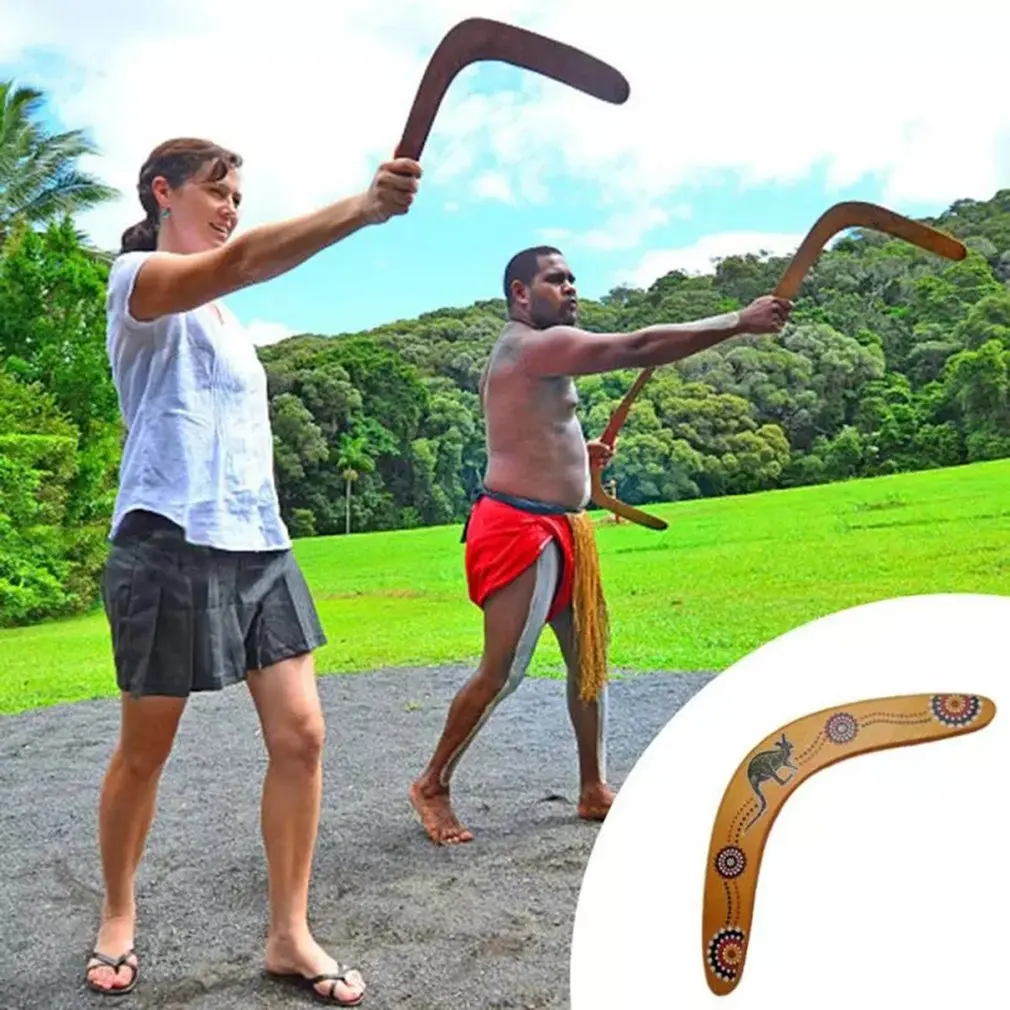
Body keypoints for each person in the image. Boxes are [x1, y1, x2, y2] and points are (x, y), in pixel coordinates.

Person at [85, 137, 421, 1006]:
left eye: (238, 194)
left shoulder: (230, 328)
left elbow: (235, 273)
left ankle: (288, 934)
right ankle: (118, 913)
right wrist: (362, 208)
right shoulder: (137, 282)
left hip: (260, 543)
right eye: (216, 190)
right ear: (163, 193)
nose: (231, 206)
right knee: (145, 751)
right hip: (167, 537)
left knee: (302, 735)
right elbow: (238, 263)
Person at [409, 245, 792, 845]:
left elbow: (539, 429)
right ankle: (432, 783)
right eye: (554, 279)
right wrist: (737, 322)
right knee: (503, 671)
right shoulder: (529, 346)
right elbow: (637, 346)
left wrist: (580, 461)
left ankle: (593, 787)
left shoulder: (540, 352)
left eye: (572, 278)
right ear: (519, 293)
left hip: (565, 528)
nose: (570, 288)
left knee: (589, 662)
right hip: (518, 529)